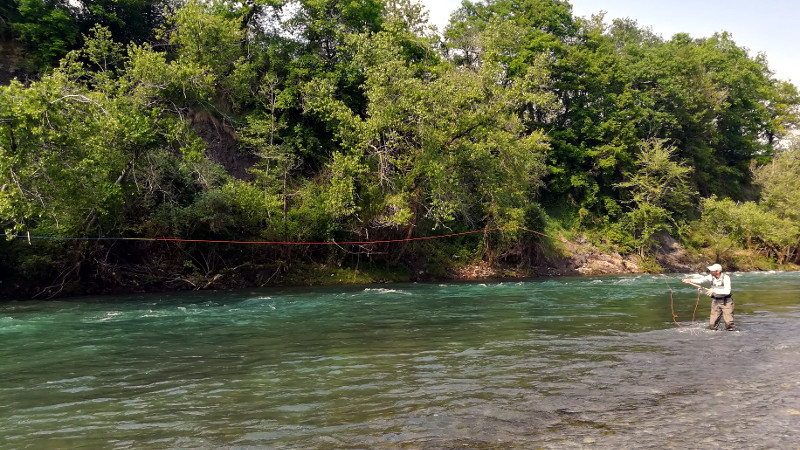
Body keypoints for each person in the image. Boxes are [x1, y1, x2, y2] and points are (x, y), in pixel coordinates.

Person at [682, 263, 735, 331]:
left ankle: (731, 337)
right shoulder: (711, 276)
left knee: (729, 323)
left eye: (712, 271)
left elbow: (727, 291)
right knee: (712, 325)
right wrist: (690, 280)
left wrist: (713, 290)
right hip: (715, 301)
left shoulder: (726, 278)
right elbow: (701, 280)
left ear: (718, 271)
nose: (710, 272)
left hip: (726, 302)